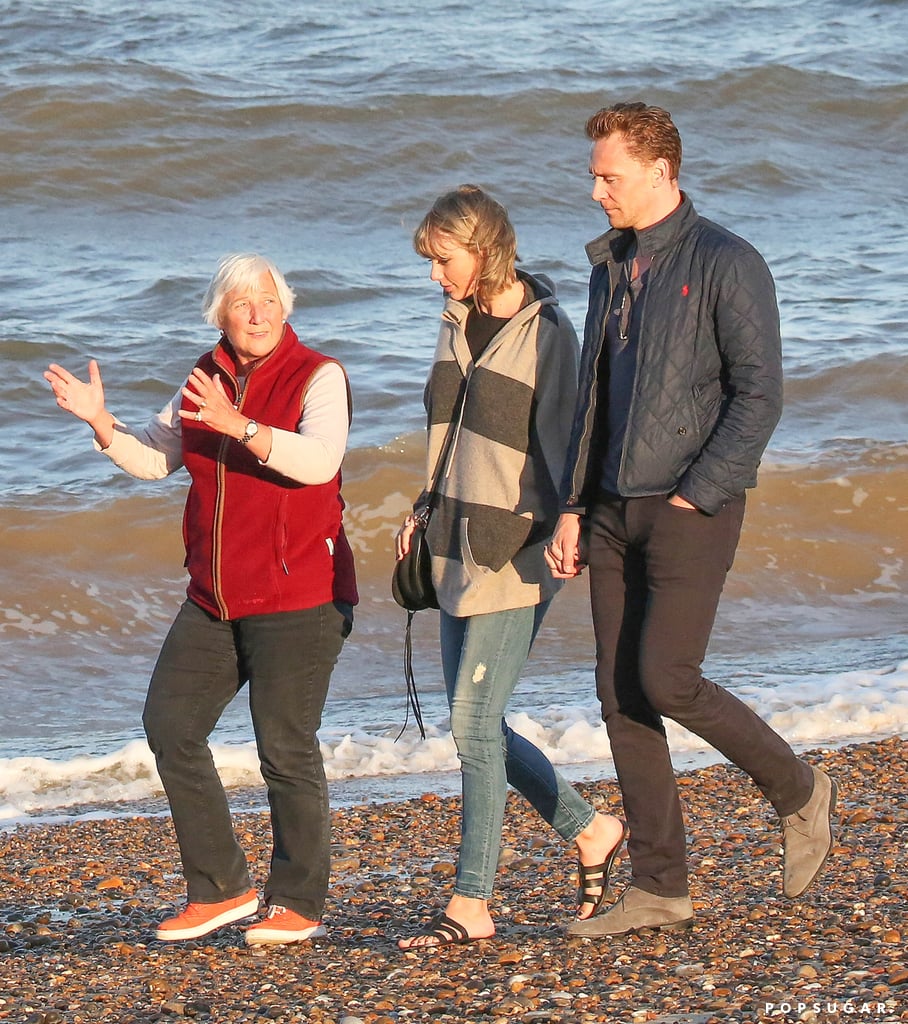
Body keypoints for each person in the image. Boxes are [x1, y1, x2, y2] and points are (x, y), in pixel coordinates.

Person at [545, 103, 838, 938]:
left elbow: (760, 393)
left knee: (667, 678)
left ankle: (800, 789)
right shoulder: (611, 267)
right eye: (595, 173)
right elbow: (594, 399)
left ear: (660, 170)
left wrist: (696, 490)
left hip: (688, 504)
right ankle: (660, 887)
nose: (595, 187)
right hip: (607, 507)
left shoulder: (727, 261)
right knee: (619, 695)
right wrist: (572, 504)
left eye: (609, 174)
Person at [44, 253, 357, 946]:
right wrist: (101, 423)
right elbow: (157, 457)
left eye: (269, 301)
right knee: (170, 725)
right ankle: (222, 888)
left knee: (285, 747)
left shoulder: (319, 375)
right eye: (244, 302)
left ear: (287, 308)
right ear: (221, 312)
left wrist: (239, 423)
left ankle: (299, 901)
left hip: (298, 593)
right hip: (214, 596)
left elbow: (319, 461)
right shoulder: (204, 376)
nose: (258, 313)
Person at [394, 185, 626, 949]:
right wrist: (422, 507)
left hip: (521, 546)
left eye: (444, 259)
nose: (435, 275)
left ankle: (472, 903)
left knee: (470, 723)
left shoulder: (548, 332)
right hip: (454, 541)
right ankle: (591, 831)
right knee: (480, 723)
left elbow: (572, 437)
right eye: (431, 261)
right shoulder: (454, 323)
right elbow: (447, 431)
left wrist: (573, 521)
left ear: (484, 249)